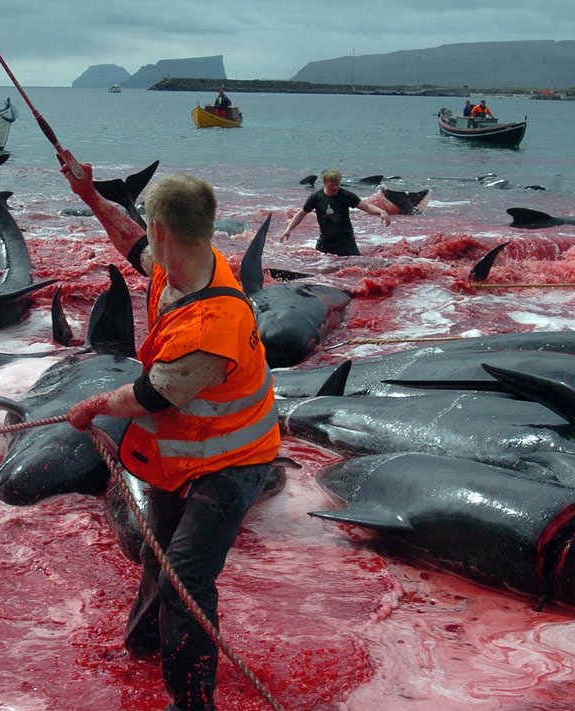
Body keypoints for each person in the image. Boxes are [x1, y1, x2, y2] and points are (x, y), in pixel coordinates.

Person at [59, 154, 279, 711]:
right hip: (186, 448)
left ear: (166, 232)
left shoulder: (214, 323)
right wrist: (89, 195)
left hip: (235, 460)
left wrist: (91, 407)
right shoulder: (182, 261)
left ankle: (190, 701)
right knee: (156, 555)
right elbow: (130, 240)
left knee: (185, 577)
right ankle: (145, 649)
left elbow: (154, 395)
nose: (146, 244)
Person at [278, 168, 391, 256]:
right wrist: (288, 230)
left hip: (346, 242)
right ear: (325, 183)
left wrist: (381, 212)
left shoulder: (345, 195)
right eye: (332, 185)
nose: (336, 187)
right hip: (325, 242)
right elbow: (301, 214)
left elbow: (366, 206)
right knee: (322, 271)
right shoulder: (316, 197)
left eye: (338, 184)